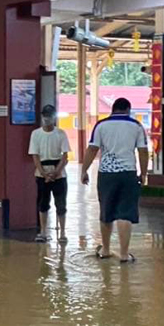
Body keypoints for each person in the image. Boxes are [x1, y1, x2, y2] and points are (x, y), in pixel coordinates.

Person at [80, 97, 148, 263]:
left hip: (107, 174)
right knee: (125, 214)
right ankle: (124, 255)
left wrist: (84, 170)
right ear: (128, 109)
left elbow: (92, 149)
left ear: (113, 109)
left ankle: (106, 250)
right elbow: (143, 151)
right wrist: (144, 174)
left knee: (106, 212)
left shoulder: (101, 125)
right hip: (128, 173)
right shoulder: (136, 126)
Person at [29, 104, 70, 243]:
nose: (47, 119)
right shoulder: (36, 134)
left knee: (61, 204)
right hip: (42, 173)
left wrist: (56, 172)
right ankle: (43, 231)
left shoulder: (61, 133)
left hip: (59, 173)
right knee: (42, 203)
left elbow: (65, 155)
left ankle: (62, 232)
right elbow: (35, 155)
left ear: (54, 117)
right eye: (45, 116)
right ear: (42, 117)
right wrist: (43, 173)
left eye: (50, 116)